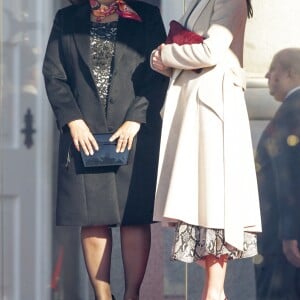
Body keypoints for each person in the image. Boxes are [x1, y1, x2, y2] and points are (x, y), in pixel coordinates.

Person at [42, 0, 168, 299]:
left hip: (134, 132)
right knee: (93, 216)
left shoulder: (147, 15)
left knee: (134, 216)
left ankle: (132, 295)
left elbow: (159, 73)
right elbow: (54, 74)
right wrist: (72, 120)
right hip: (83, 134)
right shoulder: (66, 18)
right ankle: (102, 295)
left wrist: (137, 119)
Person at [151, 0, 261, 299]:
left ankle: (214, 292)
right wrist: (161, 58)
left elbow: (211, 51)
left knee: (215, 199)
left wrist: (167, 53)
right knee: (200, 200)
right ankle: (213, 291)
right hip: (197, 109)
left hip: (214, 110)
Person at [255, 48, 300, 300]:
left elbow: (289, 176)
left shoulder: (292, 112)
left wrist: (289, 233)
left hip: (281, 237)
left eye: (273, 69)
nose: (266, 76)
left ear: (290, 73)